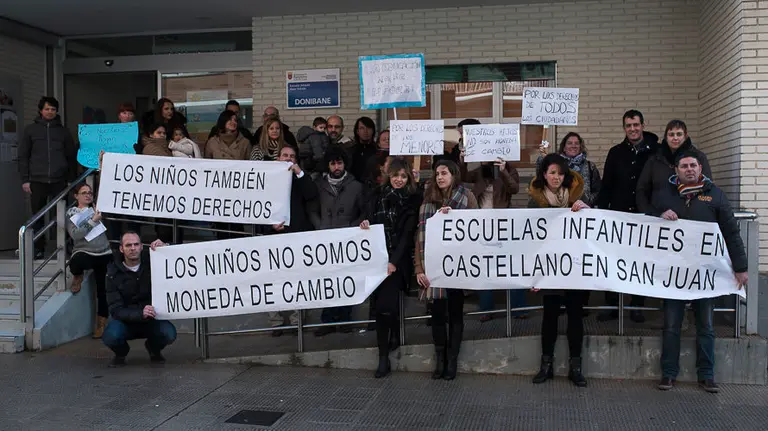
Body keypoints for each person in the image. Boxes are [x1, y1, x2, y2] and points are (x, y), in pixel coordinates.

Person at [650, 151, 747, 393]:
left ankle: (707, 375)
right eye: (684, 166)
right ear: (676, 170)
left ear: (700, 168)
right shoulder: (664, 195)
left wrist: (741, 267)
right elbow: (647, 219)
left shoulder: (715, 195)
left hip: (705, 276)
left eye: (693, 165)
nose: (689, 169)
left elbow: (731, 233)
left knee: (706, 325)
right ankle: (669, 374)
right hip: (674, 275)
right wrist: (660, 215)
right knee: (671, 325)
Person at [528, 153, 589, 387]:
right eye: (552, 172)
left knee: (575, 317)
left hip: (573, 268)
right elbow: (528, 239)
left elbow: (590, 229)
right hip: (548, 269)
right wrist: (533, 274)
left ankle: (576, 366)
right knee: (550, 317)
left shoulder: (576, 198)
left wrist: (586, 208)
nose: (556, 177)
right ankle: (546, 366)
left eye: (560, 173)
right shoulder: (535, 202)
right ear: (544, 174)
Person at [414, 160, 478, 381]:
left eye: (445, 173)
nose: (440, 177)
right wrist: (419, 268)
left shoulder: (466, 197)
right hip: (435, 270)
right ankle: (440, 359)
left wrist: (455, 219)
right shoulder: (427, 201)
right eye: (437, 173)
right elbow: (419, 239)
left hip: (459, 268)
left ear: (454, 175)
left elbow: (476, 227)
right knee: (438, 315)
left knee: (456, 314)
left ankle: (452, 360)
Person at [360, 157, 422, 378]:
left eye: (403, 176)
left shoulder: (411, 200)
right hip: (376, 258)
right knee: (381, 307)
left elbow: (406, 235)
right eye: (396, 175)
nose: (399, 180)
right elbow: (366, 219)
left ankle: (385, 355)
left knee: (387, 307)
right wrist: (364, 224)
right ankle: (384, 351)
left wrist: (393, 262)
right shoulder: (377, 195)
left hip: (396, 260)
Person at [596, 109, 660, 323]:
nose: (632, 129)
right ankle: (613, 305)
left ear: (642, 125)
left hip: (644, 215)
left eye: (636, 125)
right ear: (624, 128)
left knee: (639, 263)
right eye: (628, 126)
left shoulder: (656, 152)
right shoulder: (615, 152)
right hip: (618, 216)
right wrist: (597, 209)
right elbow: (607, 185)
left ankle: (637, 306)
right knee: (614, 261)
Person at [308, 146, 366, 335]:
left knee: (347, 281)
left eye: (339, 162)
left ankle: (345, 320)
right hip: (325, 240)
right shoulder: (318, 185)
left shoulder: (356, 186)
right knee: (328, 281)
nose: (336, 166)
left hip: (348, 240)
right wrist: (320, 227)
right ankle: (327, 321)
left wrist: (352, 227)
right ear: (328, 165)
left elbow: (363, 212)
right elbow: (313, 210)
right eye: (333, 163)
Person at [102, 232, 177, 367]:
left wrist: (166, 248)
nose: (133, 248)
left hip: (151, 319)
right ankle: (121, 353)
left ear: (142, 246)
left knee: (169, 333)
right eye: (128, 245)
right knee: (111, 336)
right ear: (121, 249)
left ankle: (153, 349)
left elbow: (184, 254)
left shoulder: (153, 260)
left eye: (136, 244)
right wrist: (140, 313)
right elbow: (115, 309)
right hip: (125, 321)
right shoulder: (112, 273)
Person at [266, 145, 318, 336]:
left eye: (292, 157)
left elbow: (312, 194)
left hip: (296, 236)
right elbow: (255, 209)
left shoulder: (299, 178)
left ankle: (297, 319)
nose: (288, 159)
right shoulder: (268, 179)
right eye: (285, 155)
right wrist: (269, 226)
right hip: (273, 237)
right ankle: (276, 322)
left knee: (297, 279)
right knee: (272, 280)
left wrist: (299, 173)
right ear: (277, 158)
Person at [463, 156, 523, 321]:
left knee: (511, 265)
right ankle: (486, 308)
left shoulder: (509, 170)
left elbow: (514, 189)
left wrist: (503, 172)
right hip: (481, 225)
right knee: (485, 266)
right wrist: (462, 159)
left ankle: (518, 308)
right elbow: (462, 176)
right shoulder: (480, 173)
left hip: (503, 223)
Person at [19, 96, 78, 259]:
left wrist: (71, 179)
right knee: (37, 216)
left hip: (59, 180)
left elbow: (71, 156)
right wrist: (25, 179)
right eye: (47, 109)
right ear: (40, 110)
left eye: (53, 109)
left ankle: (65, 248)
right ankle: (38, 248)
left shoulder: (63, 131)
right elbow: (23, 156)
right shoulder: (30, 130)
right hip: (37, 180)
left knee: (62, 216)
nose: (50, 112)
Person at [65, 183, 112, 339]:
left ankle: (101, 323)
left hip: (103, 251)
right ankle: (78, 276)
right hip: (85, 251)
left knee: (102, 289)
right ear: (76, 196)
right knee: (76, 262)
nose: (88, 195)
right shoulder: (72, 213)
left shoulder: (98, 208)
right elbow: (76, 235)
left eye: (90, 193)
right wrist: (92, 220)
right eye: (84, 193)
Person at [636, 119, 712, 216]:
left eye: (679, 134)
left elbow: (708, 190)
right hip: (659, 220)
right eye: (671, 134)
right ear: (666, 137)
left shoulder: (698, 157)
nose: (675, 138)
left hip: (690, 221)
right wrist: (654, 213)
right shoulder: (655, 160)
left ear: (685, 136)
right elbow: (641, 191)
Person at [205, 110, 252, 240]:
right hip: (219, 190)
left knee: (237, 227)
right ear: (223, 121)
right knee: (221, 226)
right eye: (230, 119)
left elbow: (251, 166)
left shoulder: (245, 142)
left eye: (235, 120)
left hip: (238, 189)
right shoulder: (212, 142)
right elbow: (206, 165)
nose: (233, 122)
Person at [538, 132, 601, 207]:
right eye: (569, 143)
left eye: (576, 143)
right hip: (559, 209)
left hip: (583, 211)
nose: (573, 146)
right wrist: (543, 158)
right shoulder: (555, 165)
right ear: (564, 148)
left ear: (580, 147)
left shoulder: (590, 166)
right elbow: (541, 179)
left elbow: (598, 190)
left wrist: (587, 202)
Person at [350, 116, 378, 181]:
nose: (365, 131)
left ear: (373, 131)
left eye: (368, 128)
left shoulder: (378, 150)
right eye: (362, 128)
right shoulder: (350, 150)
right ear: (357, 131)